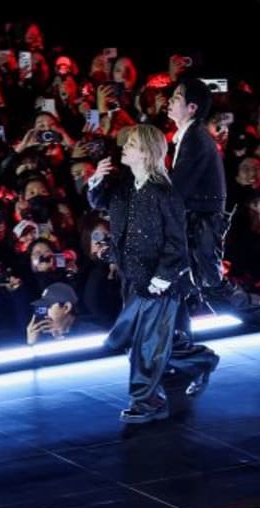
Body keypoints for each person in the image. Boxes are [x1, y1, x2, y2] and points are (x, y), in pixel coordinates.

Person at [166, 78, 260, 374]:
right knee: (179, 289)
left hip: (200, 227)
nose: (169, 101)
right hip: (196, 225)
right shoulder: (189, 137)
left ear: (192, 107)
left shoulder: (196, 139)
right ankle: (182, 353)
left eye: (176, 97)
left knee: (210, 289)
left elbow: (178, 190)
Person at [87, 124, 211, 424]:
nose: (123, 149)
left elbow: (177, 243)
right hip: (133, 278)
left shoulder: (163, 193)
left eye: (129, 145)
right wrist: (95, 181)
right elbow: (98, 202)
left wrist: (162, 277)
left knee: (146, 345)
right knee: (140, 341)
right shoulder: (123, 187)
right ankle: (201, 360)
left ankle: (147, 402)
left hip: (158, 283)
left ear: (144, 152)